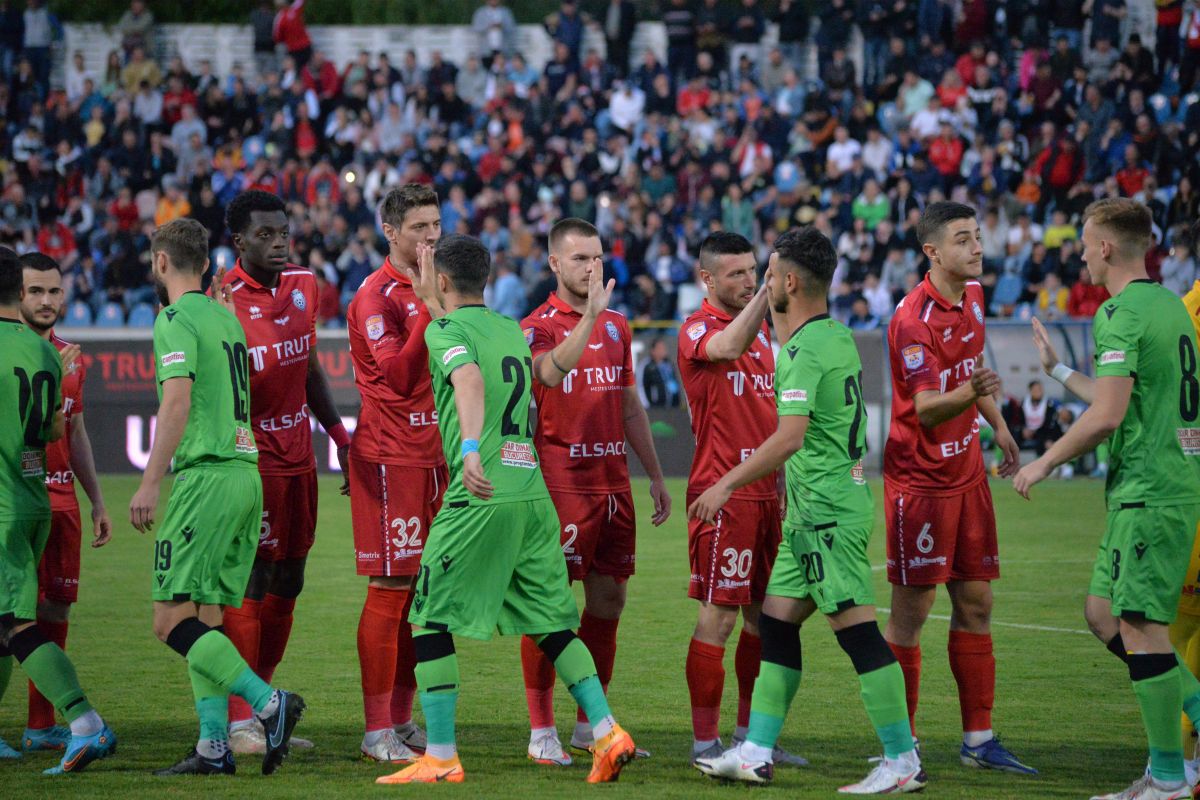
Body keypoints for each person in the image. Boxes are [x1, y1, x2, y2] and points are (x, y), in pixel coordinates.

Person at [374, 234, 637, 784]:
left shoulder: (446, 330)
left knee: (427, 616)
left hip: (482, 495)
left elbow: (466, 377)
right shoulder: (508, 329)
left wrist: (469, 448)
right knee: (552, 622)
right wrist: (590, 320)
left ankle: (441, 758)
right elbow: (550, 372)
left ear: (441, 281)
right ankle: (608, 733)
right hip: (533, 496)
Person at [689, 227, 924, 793]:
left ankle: (901, 760)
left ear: (788, 282)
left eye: (767, 275)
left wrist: (726, 484)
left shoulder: (798, 351)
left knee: (858, 634)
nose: (762, 285)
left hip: (824, 513)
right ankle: (756, 751)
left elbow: (789, 436)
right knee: (776, 622)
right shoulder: (838, 336)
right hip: (813, 511)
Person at [1016, 198, 1200, 800]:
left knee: (1143, 630)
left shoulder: (1118, 313)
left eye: (1085, 244)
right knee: (1102, 614)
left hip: (1149, 491)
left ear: (1104, 247)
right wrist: (1061, 370)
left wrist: (1043, 460)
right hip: (1165, 487)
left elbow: (1108, 416)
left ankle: (1169, 778)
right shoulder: (1172, 306)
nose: (1080, 256)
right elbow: (1120, 394)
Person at [128, 219, 306, 776]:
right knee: (205, 615)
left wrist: (151, 480)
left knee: (168, 619)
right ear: (206, 263)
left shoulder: (175, 319)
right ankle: (213, 746)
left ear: (161, 263)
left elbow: (176, 402)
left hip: (205, 478)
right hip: (245, 474)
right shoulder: (227, 321)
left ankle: (269, 704)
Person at [882, 202, 1034, 774]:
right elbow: (925, 408)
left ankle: (978, 740)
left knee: (977, 602)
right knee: (910, 614)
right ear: (932, 253)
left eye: (977, 237)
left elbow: (969, 377)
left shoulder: (973, 297)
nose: (977, 248)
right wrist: (976, 398)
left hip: (968, 475)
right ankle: (902, 745)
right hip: (921, 484)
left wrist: (997, 425)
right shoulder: (911, 321)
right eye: (964, 240)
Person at [516, 218, 670, 766]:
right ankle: (541, 730)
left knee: (609, 602)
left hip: (613, 484)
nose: (591, 268)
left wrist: (652, 473)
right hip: (562, 485)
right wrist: (586, 319)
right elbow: (549, 379)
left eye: (597, 258)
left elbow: (629, 404)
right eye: (580, 259)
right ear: (554, 264)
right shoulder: (535, 327)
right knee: (549, 608)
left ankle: (589, 726)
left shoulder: (618, 326)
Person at [217, 190, 348, 754]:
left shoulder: (305, 286)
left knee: (290, 578)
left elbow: (308, 367)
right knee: (252, 581)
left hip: (300, 459)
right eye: (265, 234)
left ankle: (265, 706)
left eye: (283, 232)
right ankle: (239, 717)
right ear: (238, 240)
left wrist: (340, 436)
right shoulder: (218, 298)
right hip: (252, 462)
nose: (278, 242)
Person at [676, 231, 799, 766]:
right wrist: (767, 295)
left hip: (767, 494)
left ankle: (752, 738)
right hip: (721, 495)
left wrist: (787, 483)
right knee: (718, 618)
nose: (751, 281)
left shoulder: (767, 337)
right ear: (707, 279)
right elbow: (726, 348)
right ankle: (705, 742)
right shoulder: (698, 329)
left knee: (764, 619)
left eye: (755, 271)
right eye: (739, 274)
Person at [0, 246, 115, 772]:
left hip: (18, 503)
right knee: (13, 618)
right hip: (32, 498)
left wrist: (94, 500)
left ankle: (73, 723)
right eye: (35, 290)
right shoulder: (47, 356)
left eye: (53, 290)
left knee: (24, 621)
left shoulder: (46, 352)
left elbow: (67, 431)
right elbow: (49, 429)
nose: (45, 300)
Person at [345, 184, 444, 763]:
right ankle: (375, 730)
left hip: (439, 458)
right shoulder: (376, 297)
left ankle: (403, 722)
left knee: (425, 596)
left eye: (436, 224)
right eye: (419, 227)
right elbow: (402, 380)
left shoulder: (440, 285)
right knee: (390, 590)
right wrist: (431, 307)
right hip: (391, 458)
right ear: (391, 232)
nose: (431, 235)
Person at [642, 336, 680, 408]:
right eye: (660, 348)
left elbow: (675, 384)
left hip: (673, 406)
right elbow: (644, 387)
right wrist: (650, 405)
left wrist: (677, 401)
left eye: (664, 348)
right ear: (652, 351)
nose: (663, 350)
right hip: (657, 408)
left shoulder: (669, 365)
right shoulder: (649, 367)